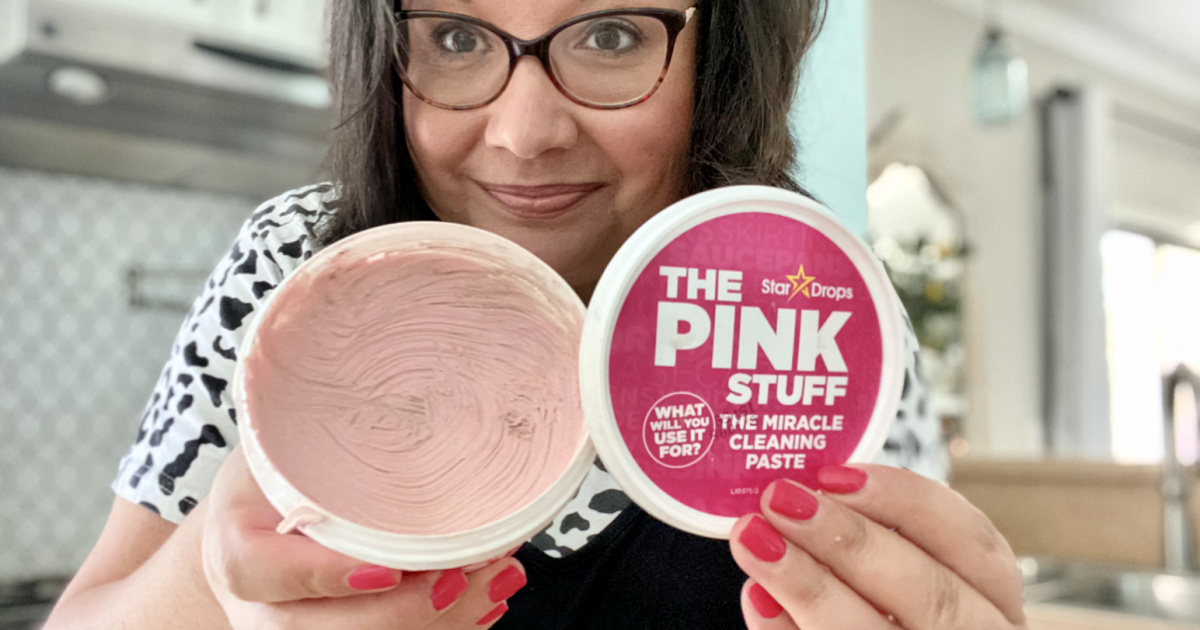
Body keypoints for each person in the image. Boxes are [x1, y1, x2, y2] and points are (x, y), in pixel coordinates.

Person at [44, 0, 1026, 628]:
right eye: (458, 38)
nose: (522, 135)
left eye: (610, 35)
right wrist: (210, 586)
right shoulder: (296, 268)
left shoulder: (824, 309)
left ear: (721, 50)